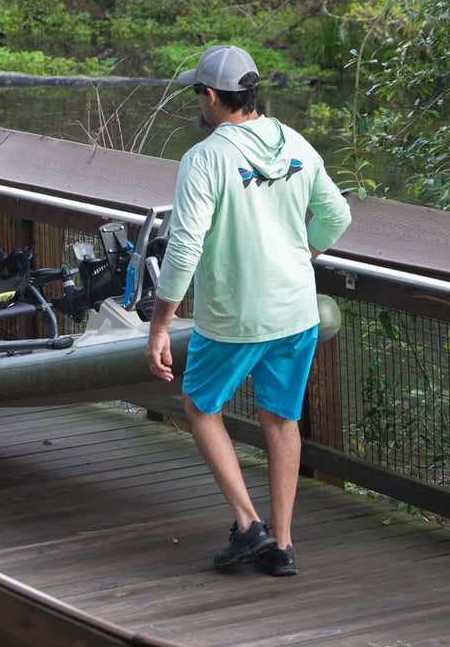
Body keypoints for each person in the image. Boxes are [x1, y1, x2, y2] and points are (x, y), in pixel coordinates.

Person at [146, 45, 352, 577]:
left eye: (198, 93)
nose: (199, 101)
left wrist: (161, 323)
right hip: (296, 310)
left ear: (212, 96)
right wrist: (303, 252)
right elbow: (337, 214)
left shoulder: (205, 158)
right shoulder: (299, 145)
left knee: (200, 405)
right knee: (282, 420)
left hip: (236, 315)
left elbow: (185, 246)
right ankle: (282, 546)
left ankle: (248, 525)